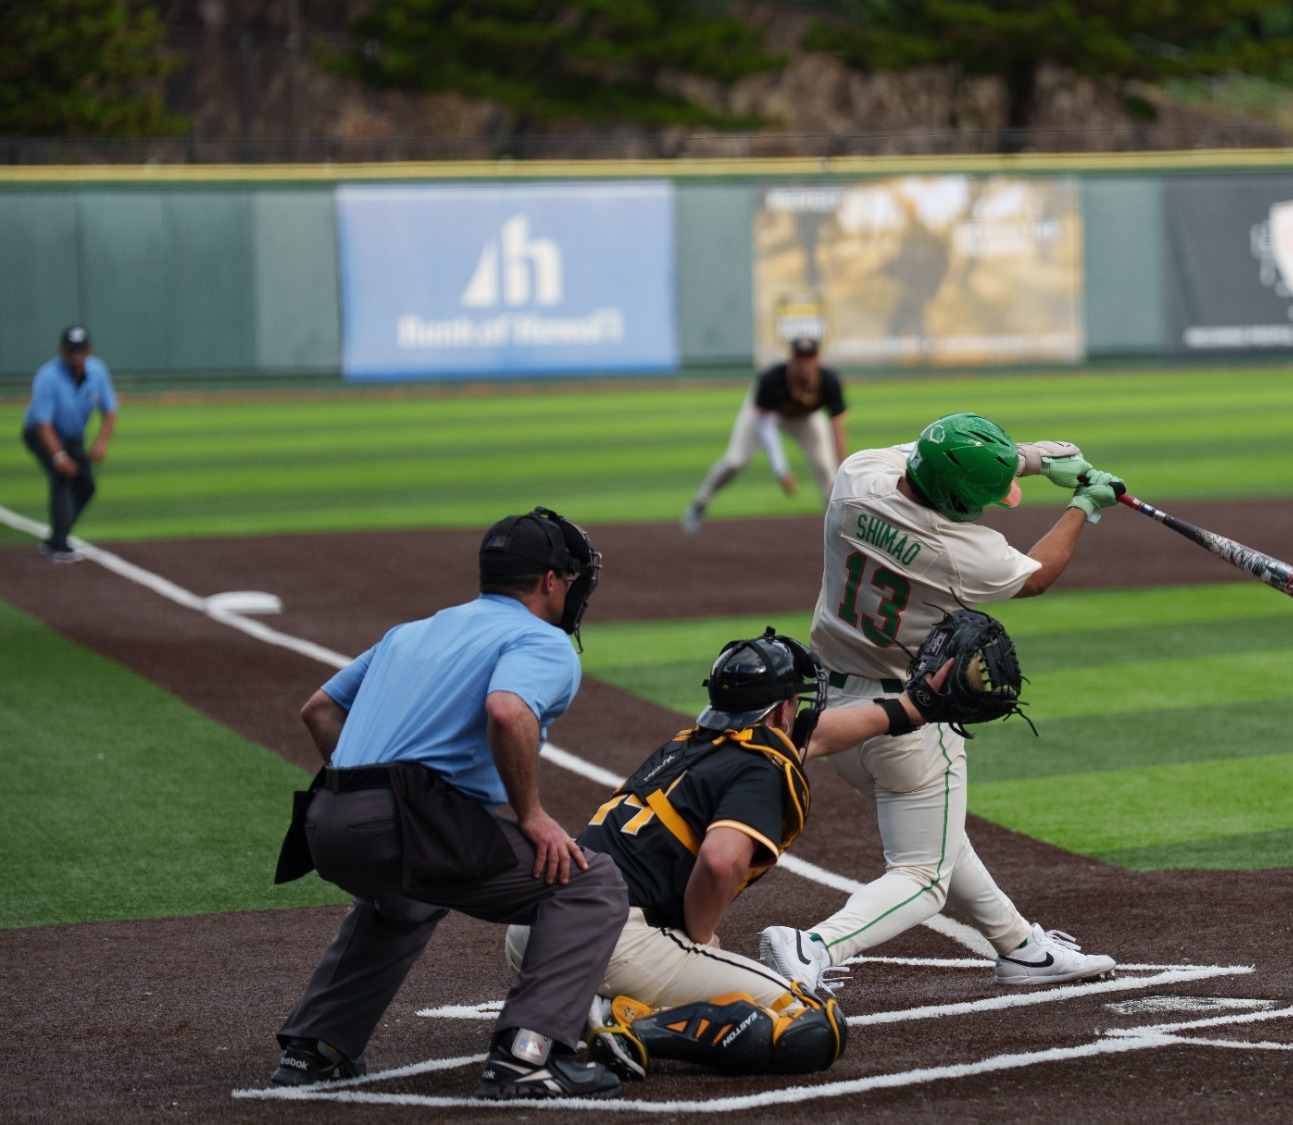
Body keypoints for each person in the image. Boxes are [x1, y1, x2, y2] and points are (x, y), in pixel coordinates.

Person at [502, 626, 987, 1080]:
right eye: (794, 702)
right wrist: (699, 937)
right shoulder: (758, 769)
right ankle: (633, 1028)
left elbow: (812, 736)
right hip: (611, 942)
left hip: (537, 931)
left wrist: (912, 707)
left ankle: (587, 996)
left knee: (670, 926)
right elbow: (721, 861)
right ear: (780, 711)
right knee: (813, 1022)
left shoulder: (691, 745)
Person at [269, 508, 630, 1102]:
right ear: (550, 581)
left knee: (408, 899)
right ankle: (527, 1055)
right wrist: (533, 816)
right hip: (403, 821)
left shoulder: (412, 631)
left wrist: (365, 801)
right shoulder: (540, 639)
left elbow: (320, 711)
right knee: (590, 884)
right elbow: (507, 712)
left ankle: (315, 1049)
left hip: (323, 818)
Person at [758, 412, 1123, 993]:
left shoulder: (858, 475)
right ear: (957, 500)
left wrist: (1032, 456)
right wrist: (1084, 505)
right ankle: (814, 947)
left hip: (829, 710)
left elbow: (929, 453)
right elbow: (1037, 576)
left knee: (940, 839)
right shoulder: (963, 553)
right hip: (908, 719)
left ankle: (1021, 949)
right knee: (924, 875)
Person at [682, 337, 847, 536]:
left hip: (805, 418)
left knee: (828, 469)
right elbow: (767, 430)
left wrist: (843, 465)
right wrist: (782, 471)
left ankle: (840, 526)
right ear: (792, 359)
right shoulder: (772, 379)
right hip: (765, 416)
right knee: (734, 460)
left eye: (809, 357)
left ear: (817, 359)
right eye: (800, 358)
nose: (805, 363)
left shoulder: (828, 381)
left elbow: (836, 426)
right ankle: (700, 503)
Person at [20, 325, 117, 563]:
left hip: (73, 437)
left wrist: (101, 442)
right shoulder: (48, 376)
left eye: (81, 349)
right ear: (62, 350)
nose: (76, 355)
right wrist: (59, 457)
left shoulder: (97, 371)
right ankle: (60, 545)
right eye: (71, 349)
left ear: (89, 350)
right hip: (41, 435)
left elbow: (109, 410)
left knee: (86, 485)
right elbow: (43, 423)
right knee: (62, 477)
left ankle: (56, 536)